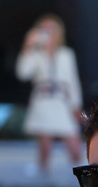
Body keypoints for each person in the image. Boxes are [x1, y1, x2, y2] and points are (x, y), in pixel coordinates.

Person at [15, 14, 84, 171]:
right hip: (43, 102)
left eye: (51, 28)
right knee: (45, 150)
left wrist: (76, 106)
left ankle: (77, 182)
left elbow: (72, 82)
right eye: (43, 28)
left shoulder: (66, 54)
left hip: (62, 103)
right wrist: (28, 45)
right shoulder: (35, 55)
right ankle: (45, 182)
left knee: (75, 148)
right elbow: (22, 73)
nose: (48, 32)